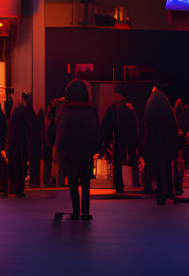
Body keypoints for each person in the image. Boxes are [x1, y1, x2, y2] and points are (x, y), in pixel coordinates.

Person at [54, 79, 99, 221]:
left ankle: (75, 210)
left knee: (72, 182)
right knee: (86, 182)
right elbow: (95, 132)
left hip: (70, 154)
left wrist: (59, 152)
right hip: (85, 153)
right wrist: (95, 148)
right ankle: (85, 211)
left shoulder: (65, 112)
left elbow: (60, 134)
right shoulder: (90, 111)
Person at [142, 88, 181, 205]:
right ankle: (169, 192)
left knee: (157, 168)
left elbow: (148, 126)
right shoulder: (163, 103)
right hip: (166, 143)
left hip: (155, 144)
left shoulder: (152, 101)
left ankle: (160, 193)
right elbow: (173, 126)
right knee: (167, 167)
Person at [105, 94, 140, 195]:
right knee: (133, 159)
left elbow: (107, 126)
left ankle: (119, 186)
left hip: (119, 137)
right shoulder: (130, 109)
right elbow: (135, 127)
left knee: (117, 161)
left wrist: (106, 142)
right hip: (129, 137)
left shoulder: (114, 108)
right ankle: (135, 183)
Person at [6, 93, 40, 197]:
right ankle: (20, 187)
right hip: (22, 143)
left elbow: (13, 128)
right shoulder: (26, 112)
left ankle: (17, 187)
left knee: (17, 165)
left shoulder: (17, 112)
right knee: (21, 165)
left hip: (17, 143)